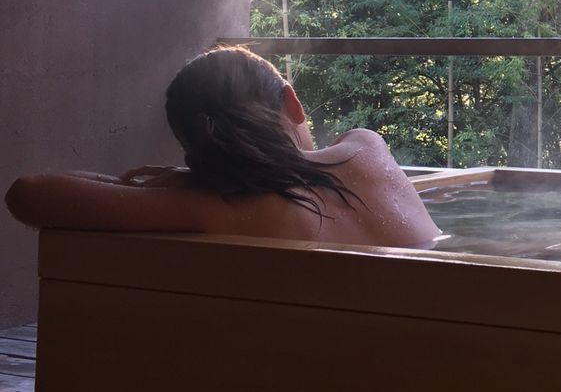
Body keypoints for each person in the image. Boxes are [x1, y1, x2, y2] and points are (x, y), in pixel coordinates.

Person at [5, 46, 442, 247]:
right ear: (292, 101)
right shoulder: (367, 147)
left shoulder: (221, 209)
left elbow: (29, 193)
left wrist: (183, 185)